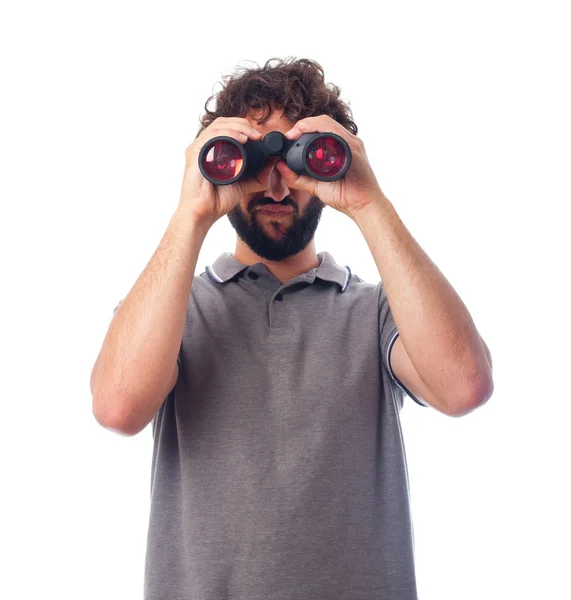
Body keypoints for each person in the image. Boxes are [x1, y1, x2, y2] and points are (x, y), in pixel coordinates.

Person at [91, 57, 494, 600]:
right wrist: (189, 213)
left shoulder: (375, 313)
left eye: (300, 158)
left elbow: (464, 386)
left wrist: (369, 202)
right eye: (254, 155)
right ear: (221, 160)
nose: (277, 187)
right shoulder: (173, 312)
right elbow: (117, 407)